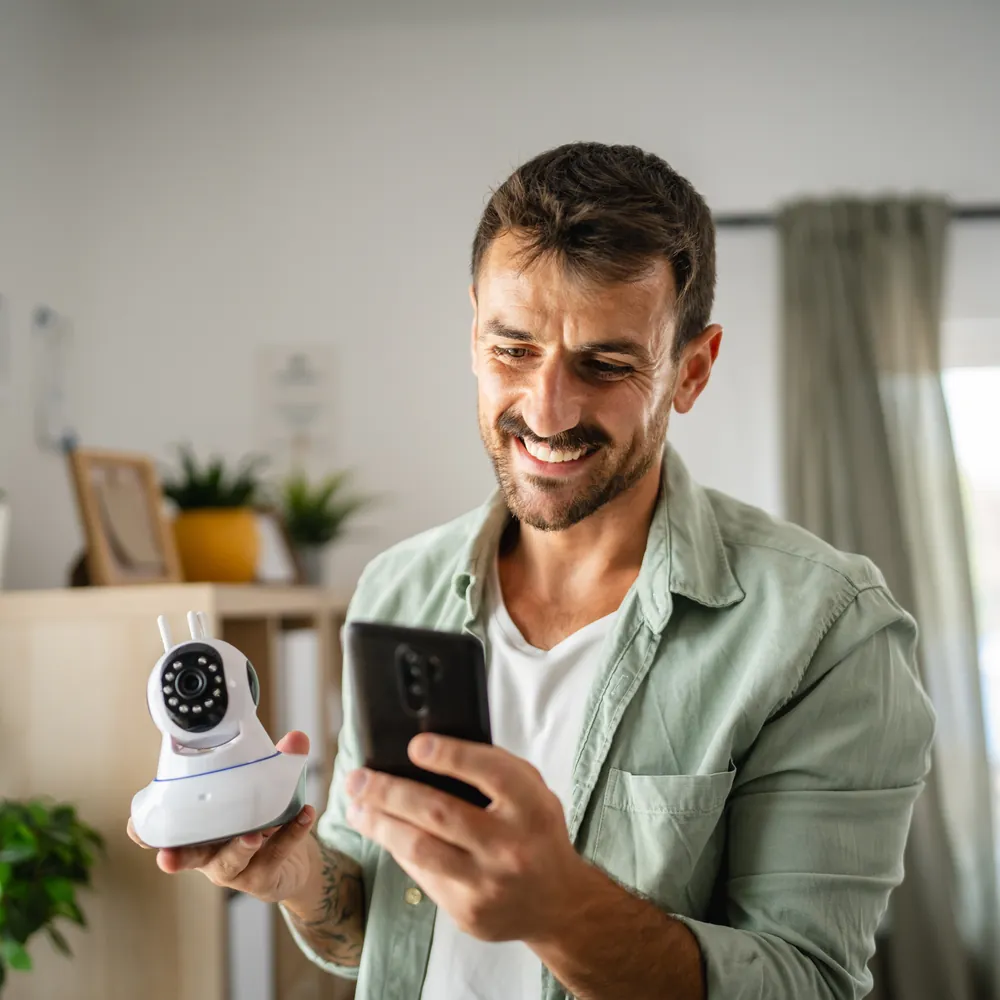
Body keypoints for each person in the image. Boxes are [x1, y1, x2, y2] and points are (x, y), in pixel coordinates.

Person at [129, 142, 935, 1000]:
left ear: (691, 370)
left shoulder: (828, 631)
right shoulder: (397, 589)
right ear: (474, 332)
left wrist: (559, 910)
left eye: (606, 365)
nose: (547, 411)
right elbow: (383, 923)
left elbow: (809, 982)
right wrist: (296, 877)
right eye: (512, 350)